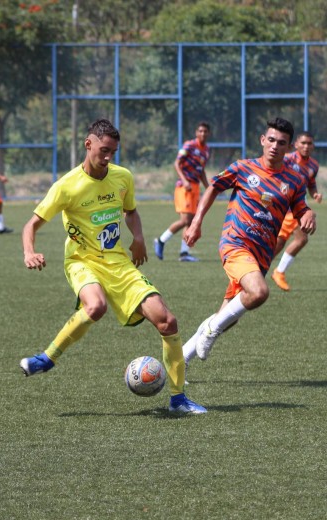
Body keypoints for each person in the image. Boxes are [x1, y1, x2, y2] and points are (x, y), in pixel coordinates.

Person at [18, 119, 206, 415]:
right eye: (103, 150)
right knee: (95, 307)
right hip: (81, 261)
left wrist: (140, 237)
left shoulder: (122, 177)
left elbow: (131, 212)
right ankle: (47, 358)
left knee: (167, 321)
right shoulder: (66, 186)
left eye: (113, 152)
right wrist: (29, 251)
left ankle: (178, 399)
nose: (108, 158)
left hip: (117, 262)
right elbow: (31, 225)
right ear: (88, 144)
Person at [182, 117, 316, 364]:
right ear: (263, 140)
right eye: (272, 140)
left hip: (261, 255)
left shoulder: (295, 180)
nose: (275, 146)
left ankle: (180, 359)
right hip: (236, 243)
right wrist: (196, 222)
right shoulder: (243, 168)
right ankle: (211, 329)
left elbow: (300, 208)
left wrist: (308, 214)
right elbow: (213, 187)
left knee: (227, 317)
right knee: (259, 292)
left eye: (282, 142)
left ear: (288, 148)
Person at [270, 131, 323, 291]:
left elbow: (310, 183)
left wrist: (315, 193)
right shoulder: (287, 159)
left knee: (299, 239)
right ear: (296, 145)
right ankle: (263, 269)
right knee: (280, 242)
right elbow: (273, 175)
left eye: (309, 143)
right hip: (282, 204)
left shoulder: (314, 165)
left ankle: (277, 271)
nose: (306, 146)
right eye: (303, 143)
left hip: (298, 206)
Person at [153, 122, 211, 262]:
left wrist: (209, 187)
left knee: (190, 222)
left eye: (205, 131)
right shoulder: (189, 145)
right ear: (196, 133)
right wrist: (184, 181)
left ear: (208, 134)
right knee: (185, 220)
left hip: (195, 187)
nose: (203, 134)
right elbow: (176, 164)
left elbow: (201, 170)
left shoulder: (206, 150)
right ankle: (161, 240)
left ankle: (184, 253)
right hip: (184, 187)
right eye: (200, 131)